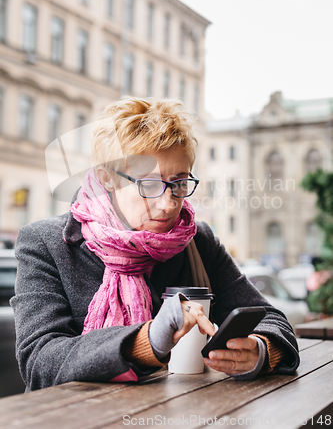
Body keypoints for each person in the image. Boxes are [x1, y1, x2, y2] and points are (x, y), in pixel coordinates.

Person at [11, 98, 300, 391]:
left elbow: (273, 321)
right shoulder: (46, 243)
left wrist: (259, 352)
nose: (167, 204)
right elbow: (39, 361)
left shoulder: (197, 241)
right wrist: (145, 341)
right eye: (149, 184)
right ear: (107, 178)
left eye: (179, 183)